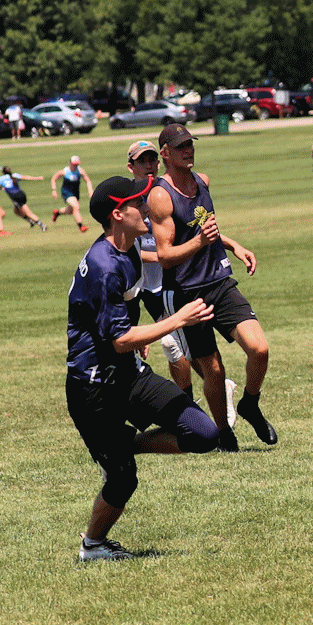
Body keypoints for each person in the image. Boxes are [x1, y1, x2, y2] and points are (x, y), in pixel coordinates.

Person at [66, 174, 220, 561]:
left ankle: (125, 445)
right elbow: (119, 339)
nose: (146, 206)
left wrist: (139, 334)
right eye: (138, 202)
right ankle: (93, 546)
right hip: (94, 389)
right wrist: (176, 320)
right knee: (123, 480)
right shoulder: (104, 265)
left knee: (204, 433)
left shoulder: (129, 248)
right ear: (118, 214)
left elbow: (125, 312)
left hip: (128, 374)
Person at [147, 123, 276, 453]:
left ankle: (250, 403)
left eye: (190, 144)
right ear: (165, 153)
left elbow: (204, 229)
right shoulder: (160, 196)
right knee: (213, 370)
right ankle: (224, 434)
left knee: (259, 349)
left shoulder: (202, 181)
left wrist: (234, 245)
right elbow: (164, 256)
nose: (188, 150)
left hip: (220, 282)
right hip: (188, 293)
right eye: (180, 146)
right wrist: (199, 242)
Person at [126, 139, 237, 429]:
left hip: (175, 284)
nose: (149, 165)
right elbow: (127, 247)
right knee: (181, 349)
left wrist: (231, 244)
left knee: (175, 347)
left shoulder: (168, 191)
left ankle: (191, 412)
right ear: (131, 167)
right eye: (142, 161)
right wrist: (157, 256)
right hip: (149, 289)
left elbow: (194, 233)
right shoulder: (129, 200)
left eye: (152, 159)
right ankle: (208, 397)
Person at [50, 156, 94, 233]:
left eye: (77, 164)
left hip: (75, 193)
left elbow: (88, 181)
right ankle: (81, 226)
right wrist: (54, 190)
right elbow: (54, 178)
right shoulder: (64, 171)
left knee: (71, 210)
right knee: (76, 206)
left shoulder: (80, 171)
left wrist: (90, 191)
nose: (75, 166)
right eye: (74, 164)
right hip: (66, 192)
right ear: (70, 163)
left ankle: (57, 213)